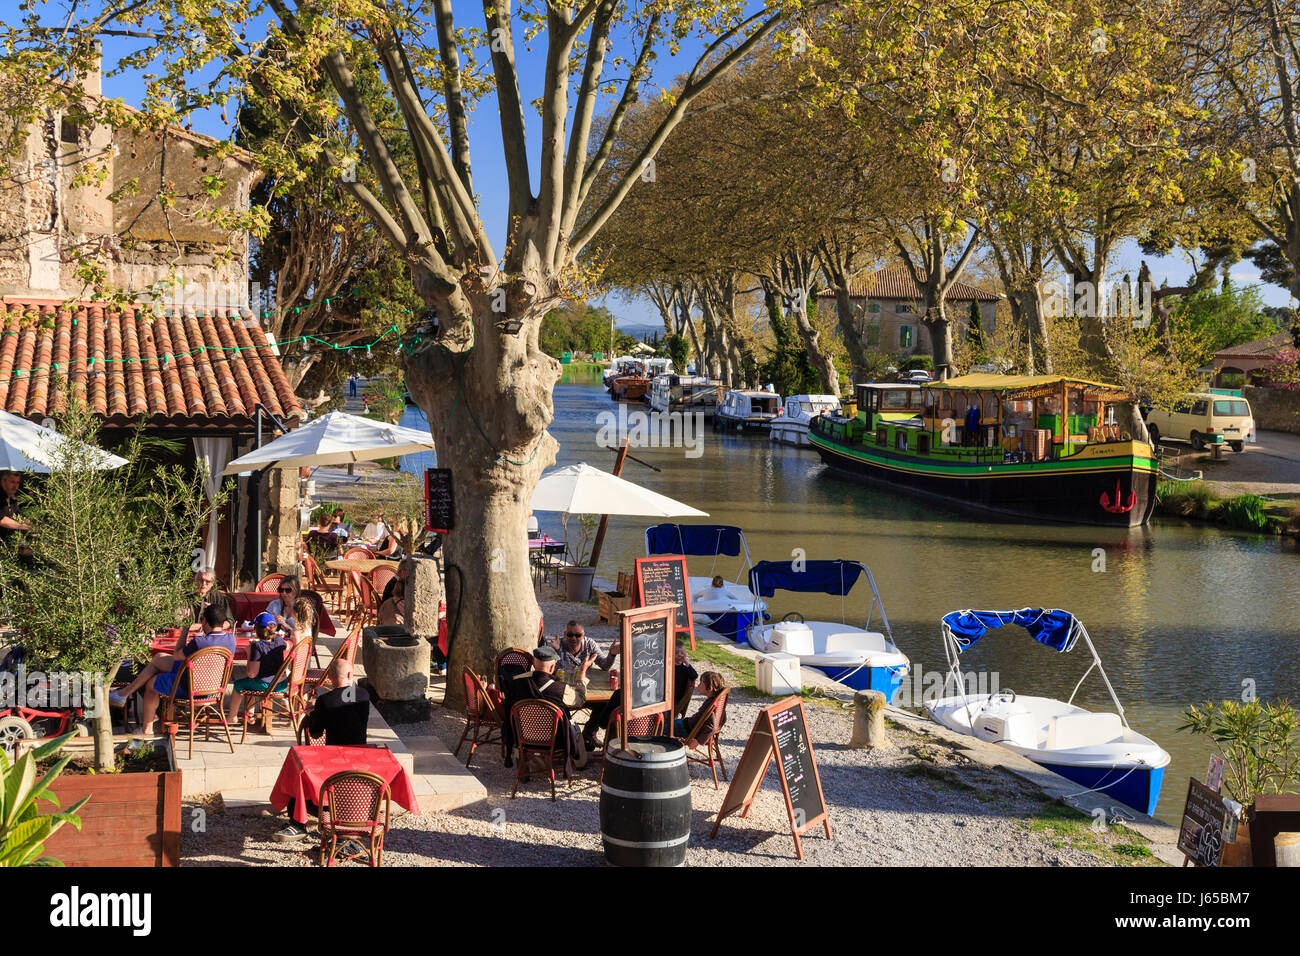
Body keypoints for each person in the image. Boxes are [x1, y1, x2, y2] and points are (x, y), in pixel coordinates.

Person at [273, 657, 371, 842]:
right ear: (350, 674)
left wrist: (316, 713)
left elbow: (316, 734)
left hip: (334, 758)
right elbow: (346, 701)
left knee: (299, 774)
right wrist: (321, 710)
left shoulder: (325, 700)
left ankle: (298, 822)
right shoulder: (364, 695)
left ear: (330, 678)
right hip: (359, 756)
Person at [111, 604, 236, 735]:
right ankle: (124, 694)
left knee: (150, 685)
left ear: (204, 621)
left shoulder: (199, 642)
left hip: (190, 688)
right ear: (223, 622)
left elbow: (177, 655)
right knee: (158, 658)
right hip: (214, 690)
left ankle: (146, 730)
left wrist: (185, 628)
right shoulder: (231, 640)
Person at [500, 645, 586, 770]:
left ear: (534, 664)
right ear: (552, 667)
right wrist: (581, 676)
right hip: (555, 739)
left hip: (521, 736)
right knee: (575, 728)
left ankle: (530, 760)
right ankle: (581, 764)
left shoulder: (516, 683)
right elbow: (580, 700)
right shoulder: (560, 689)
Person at [226, 611, 288, 723]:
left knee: (239, 685)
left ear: (256, 630)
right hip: (282, 684)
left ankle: (232, 716)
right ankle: (250, 714)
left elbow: (251, 673)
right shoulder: (280, 642)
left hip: (266, 685)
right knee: (251, 682)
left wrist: (250, 653)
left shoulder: (257, 647)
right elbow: (287, 645)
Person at [548, 621, 617, 681]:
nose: (574, 638)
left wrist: (612, 654)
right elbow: (548, 671)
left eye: (578, 635)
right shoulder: (558, 644)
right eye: (570, 635)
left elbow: (605, 666)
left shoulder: (590, 644)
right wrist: (555, 651)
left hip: (584, 683)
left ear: (583, 635)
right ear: (565, 634)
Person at [673, 671, 727, 748]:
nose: (698, 685)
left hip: (686, 729)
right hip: (687, 724)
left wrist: (698, 741)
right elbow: (723, 718)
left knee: (662, 726)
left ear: (710, 687)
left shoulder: (710, 704)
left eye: (701, 683)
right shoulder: (716, 700)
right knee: (671, 722)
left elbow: (711, 727)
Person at [187, 569, 231, 636]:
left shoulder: (218, 597)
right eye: (200, 580)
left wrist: (215, 613)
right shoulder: (184, 598)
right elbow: (175, 625)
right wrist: (202, 626)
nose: (203, 584)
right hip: (187, 637)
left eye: (208, 581)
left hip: (213, 636)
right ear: (194, 581)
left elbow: (230, 621)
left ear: (212, 583)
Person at [0, 471, 30, 546]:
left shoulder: (12, 500)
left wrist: (36, 526)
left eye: (17, 482)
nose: (15, 486)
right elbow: (2, 520)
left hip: (8, 546)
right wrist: (25, 527)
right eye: (12, 482)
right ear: (3, 482)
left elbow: (20, 516)